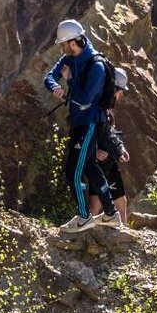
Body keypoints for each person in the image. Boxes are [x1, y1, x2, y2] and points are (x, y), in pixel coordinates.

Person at [44, 19, 110, 233]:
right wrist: (56, 87)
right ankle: (110, 213)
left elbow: (85, 101)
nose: (61, 49)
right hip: (79, 122)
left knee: (73, 171)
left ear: (73, 42)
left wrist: (70, 81)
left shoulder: (97, 66)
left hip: (90, 123)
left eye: (63, 44)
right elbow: (50, 77)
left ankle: (84, 217)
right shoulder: (69, 57)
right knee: (90, 166)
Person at [86, 67, 132, 227]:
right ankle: (86, 233)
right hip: (97, 163)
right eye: (120, 91)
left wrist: (120, 148)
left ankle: (124, 231)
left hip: (109, 162)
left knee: (121, 201)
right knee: (95, 204)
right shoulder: (94, 105)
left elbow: (110, 133)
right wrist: (94, 151)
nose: (121, 95)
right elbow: (82, 132)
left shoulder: (105, 108)